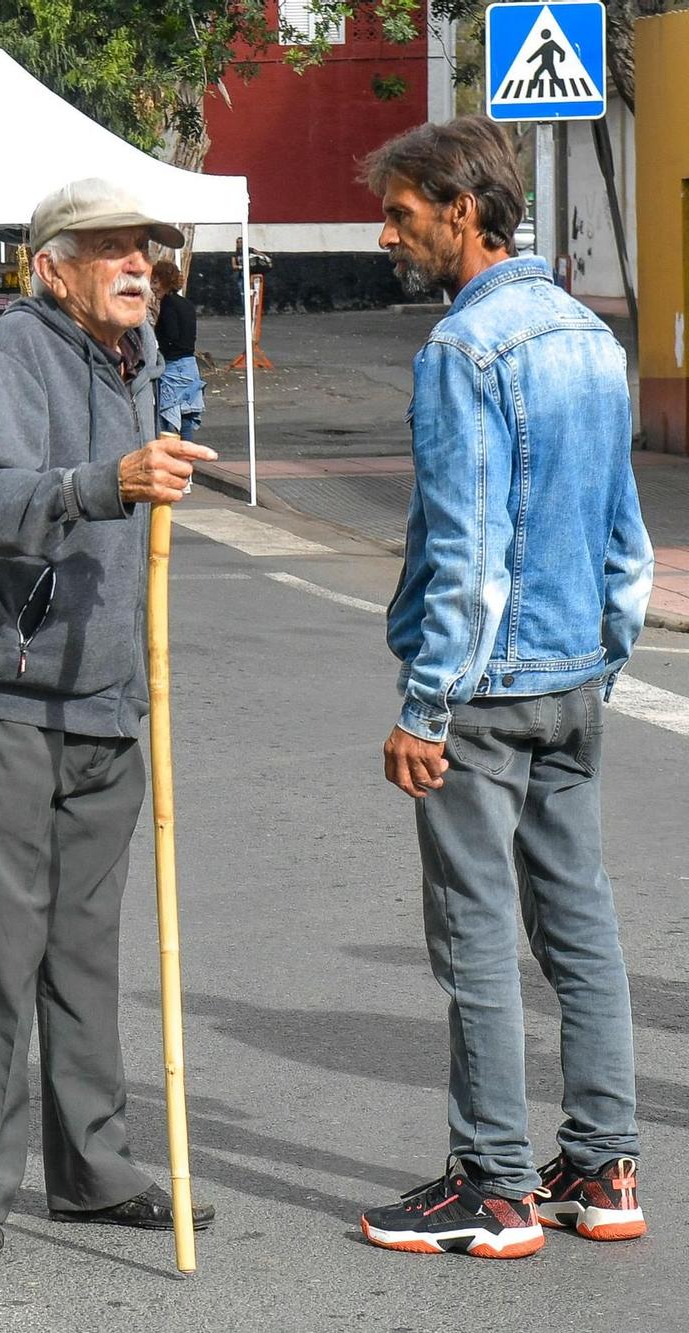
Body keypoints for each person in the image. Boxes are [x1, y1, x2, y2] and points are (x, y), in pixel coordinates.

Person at [356, 117, 654, 1260]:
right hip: (572, 677)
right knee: (579, 924)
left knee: (473, 934)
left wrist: (422, 707)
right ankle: (601, 1165)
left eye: (401, 213)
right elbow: (623, 544)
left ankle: (490, 1185)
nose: (389, 235)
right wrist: (600, 666)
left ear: (461, 209)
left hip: (482, 692)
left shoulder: (462, 349)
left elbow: (468, 553)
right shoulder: (587, 333)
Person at [0, 178, 219, 1262]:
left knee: (84, 950)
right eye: (108, 248)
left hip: (104, 702)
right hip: (10, 701)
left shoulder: (132, 360)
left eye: (141, 246)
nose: (135, 263)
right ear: (52, 266)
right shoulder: (19, 348)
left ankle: (90, 1170)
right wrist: (104, 482)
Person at [151, 260, 203, 441]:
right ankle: (186, 466)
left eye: (155, 282)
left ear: (164, 281)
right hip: (191, 366)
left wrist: (158, 347)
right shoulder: (186, 304)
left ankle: (172, 463)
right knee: (186, 419)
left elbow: (171, 335)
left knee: (168, 420)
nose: (152, 287)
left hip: (175, 367)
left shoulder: (168, 304)